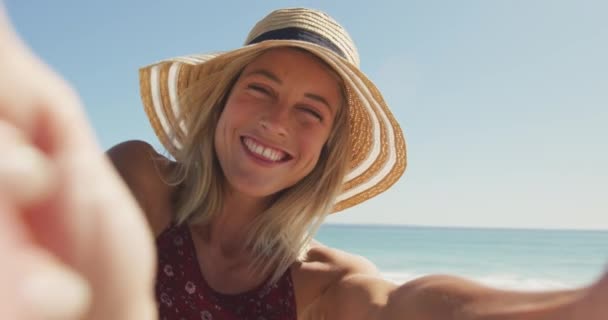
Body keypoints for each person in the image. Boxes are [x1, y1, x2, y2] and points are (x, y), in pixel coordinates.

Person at [0, 4, 607, 320]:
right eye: (260, 88)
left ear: (324, 151)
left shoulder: (321, 284)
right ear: (221, 103)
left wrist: (574, 308)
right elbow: (67, 230)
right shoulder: (142, 183)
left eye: (311, 111)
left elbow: (407, 308)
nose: (277, 121)